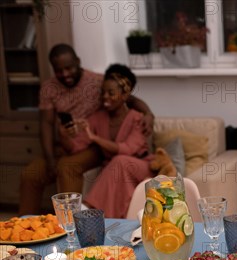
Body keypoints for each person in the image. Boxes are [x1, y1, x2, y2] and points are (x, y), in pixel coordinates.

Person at [18, 44, 154, 216]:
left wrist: (149, 113)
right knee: (30, 174)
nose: (65, 74)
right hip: (73, 138)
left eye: (69, 68)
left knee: (68, 166)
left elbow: (128, 98)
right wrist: (52, 155)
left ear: (78, 62)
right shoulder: (50, 88)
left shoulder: (98, 81)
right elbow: (46, 123)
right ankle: (22, 225)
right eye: (59, 70)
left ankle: (72, 219)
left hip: (96, 147)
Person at [66, 64, 154, 218]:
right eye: (103, 92)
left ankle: (88, 208)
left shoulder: (137, 119)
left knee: (120, 160)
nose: (105, 97)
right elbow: (76, 147)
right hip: (116, 171)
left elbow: (126, 149)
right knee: (118, 168)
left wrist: (95, 138)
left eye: (111, 93)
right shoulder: (97, 118)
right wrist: (65, 134)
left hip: (141, 166)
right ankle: (112, 225)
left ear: (125, 96)